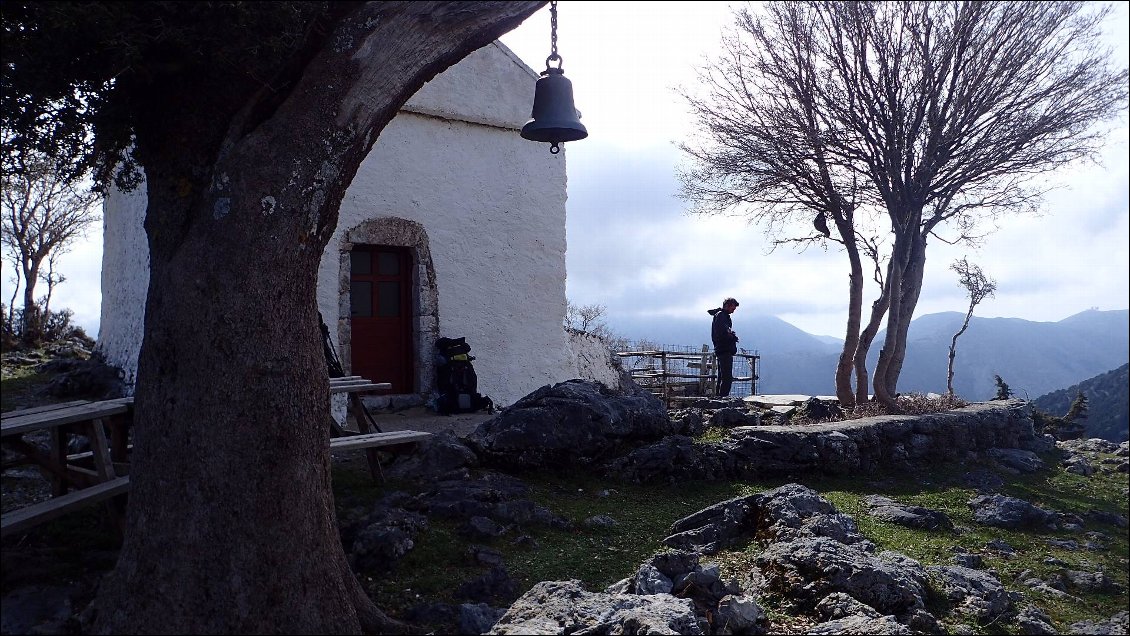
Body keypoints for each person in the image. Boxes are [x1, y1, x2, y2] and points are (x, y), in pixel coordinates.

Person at [708, 298, 740, 397]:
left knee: (722, 377)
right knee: (727, 378)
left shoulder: (722, 316)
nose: (733, 310)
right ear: (728, 305)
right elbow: (722, 333)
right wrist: (731, 337)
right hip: (724, 349)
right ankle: (723, 398)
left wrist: (730, 334)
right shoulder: (721, 316)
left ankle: (719, 398)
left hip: (722, 349)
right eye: (733, 307)